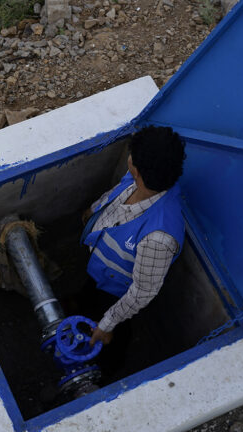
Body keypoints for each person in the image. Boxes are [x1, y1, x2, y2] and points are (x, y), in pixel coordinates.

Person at [81, 126, 186, 352]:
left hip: (114, 294)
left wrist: (106, 325)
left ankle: (110, 361)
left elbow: (142, 292)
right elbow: (113, 195)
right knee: (87, 297)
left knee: (110, 339)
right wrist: (92, 212)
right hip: (97, 270)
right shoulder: (139, 180)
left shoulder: (159, 238)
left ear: (135, 168)